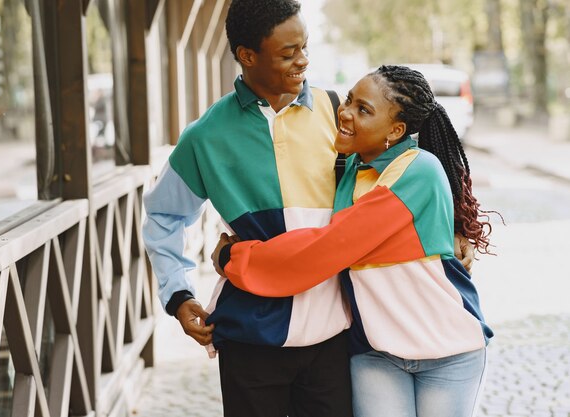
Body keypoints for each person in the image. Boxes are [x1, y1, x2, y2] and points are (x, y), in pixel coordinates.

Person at [143, 0, 473, 414]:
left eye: (304, 47)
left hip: (335, 339)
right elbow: (162, 216)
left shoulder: (338, 114)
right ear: (248, 56)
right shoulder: (205, 137)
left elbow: (404, 161)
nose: (303, 61)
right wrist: (177, 293)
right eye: (288, 53)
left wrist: (455, 228)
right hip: (250, 339)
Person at [212, 65, 495, 417]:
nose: (344, 113)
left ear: (396, 130)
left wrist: (231, 257)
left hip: (448, 353)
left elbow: (320, 250)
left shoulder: (419, 170)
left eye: (364, 110)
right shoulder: (349, 172)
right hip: (378, 354)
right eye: (349, 100)